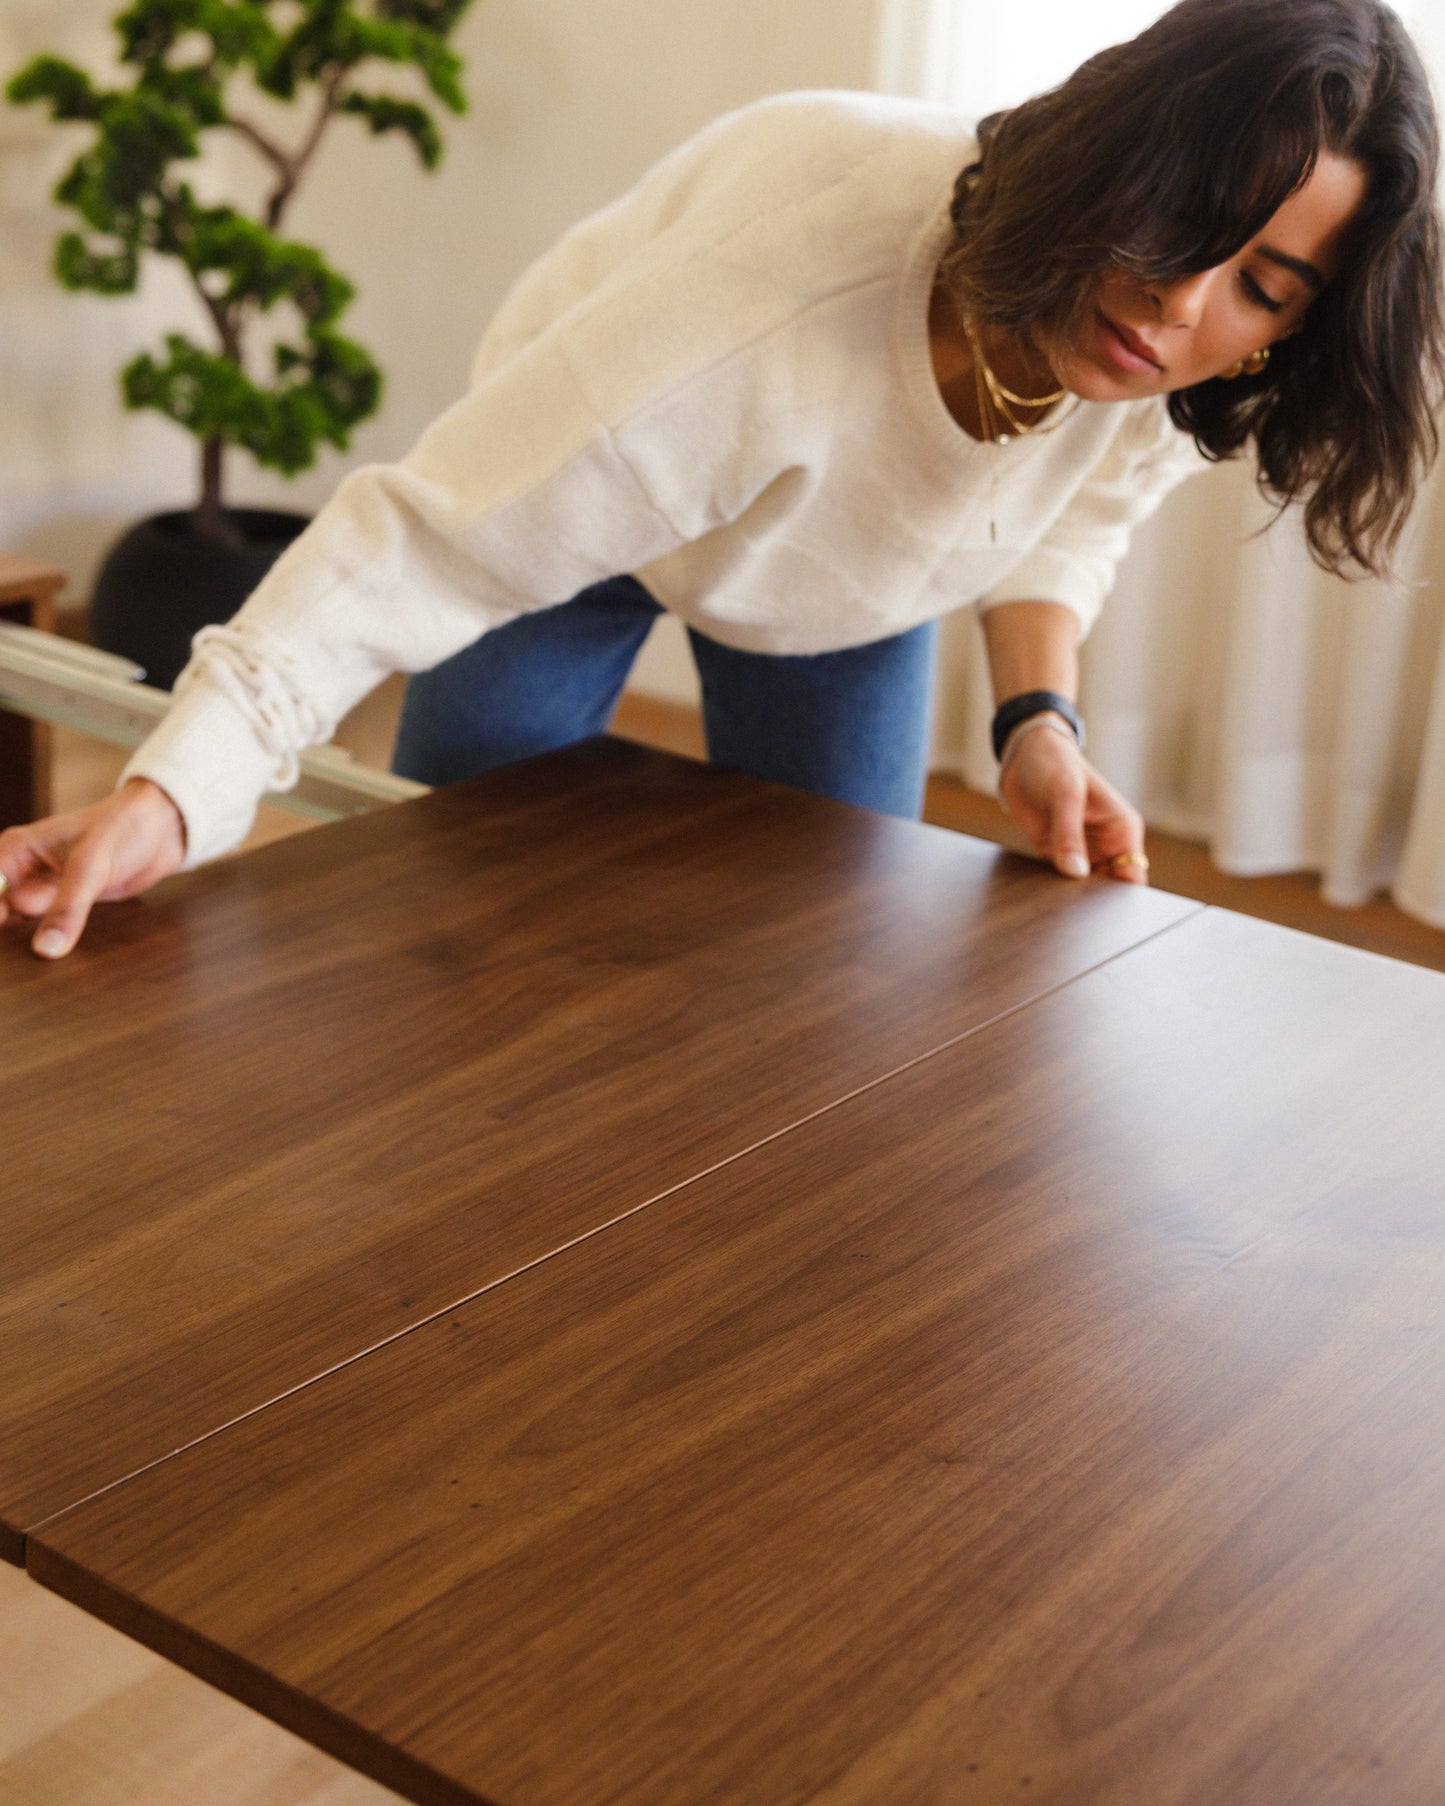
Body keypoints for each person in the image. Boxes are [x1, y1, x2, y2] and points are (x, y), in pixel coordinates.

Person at [2, 0, 1441, 959]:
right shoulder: (771, 308)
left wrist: (1033, 718)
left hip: (843, 577)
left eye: (1257, 283)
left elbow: (1072, 515)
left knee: (820, 957)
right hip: (586, 502)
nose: (1179, 304)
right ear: (1119, 155)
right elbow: (425, 546)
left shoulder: (1173, 360)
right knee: (451, 910)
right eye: (1181, 226)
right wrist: (168, 797)